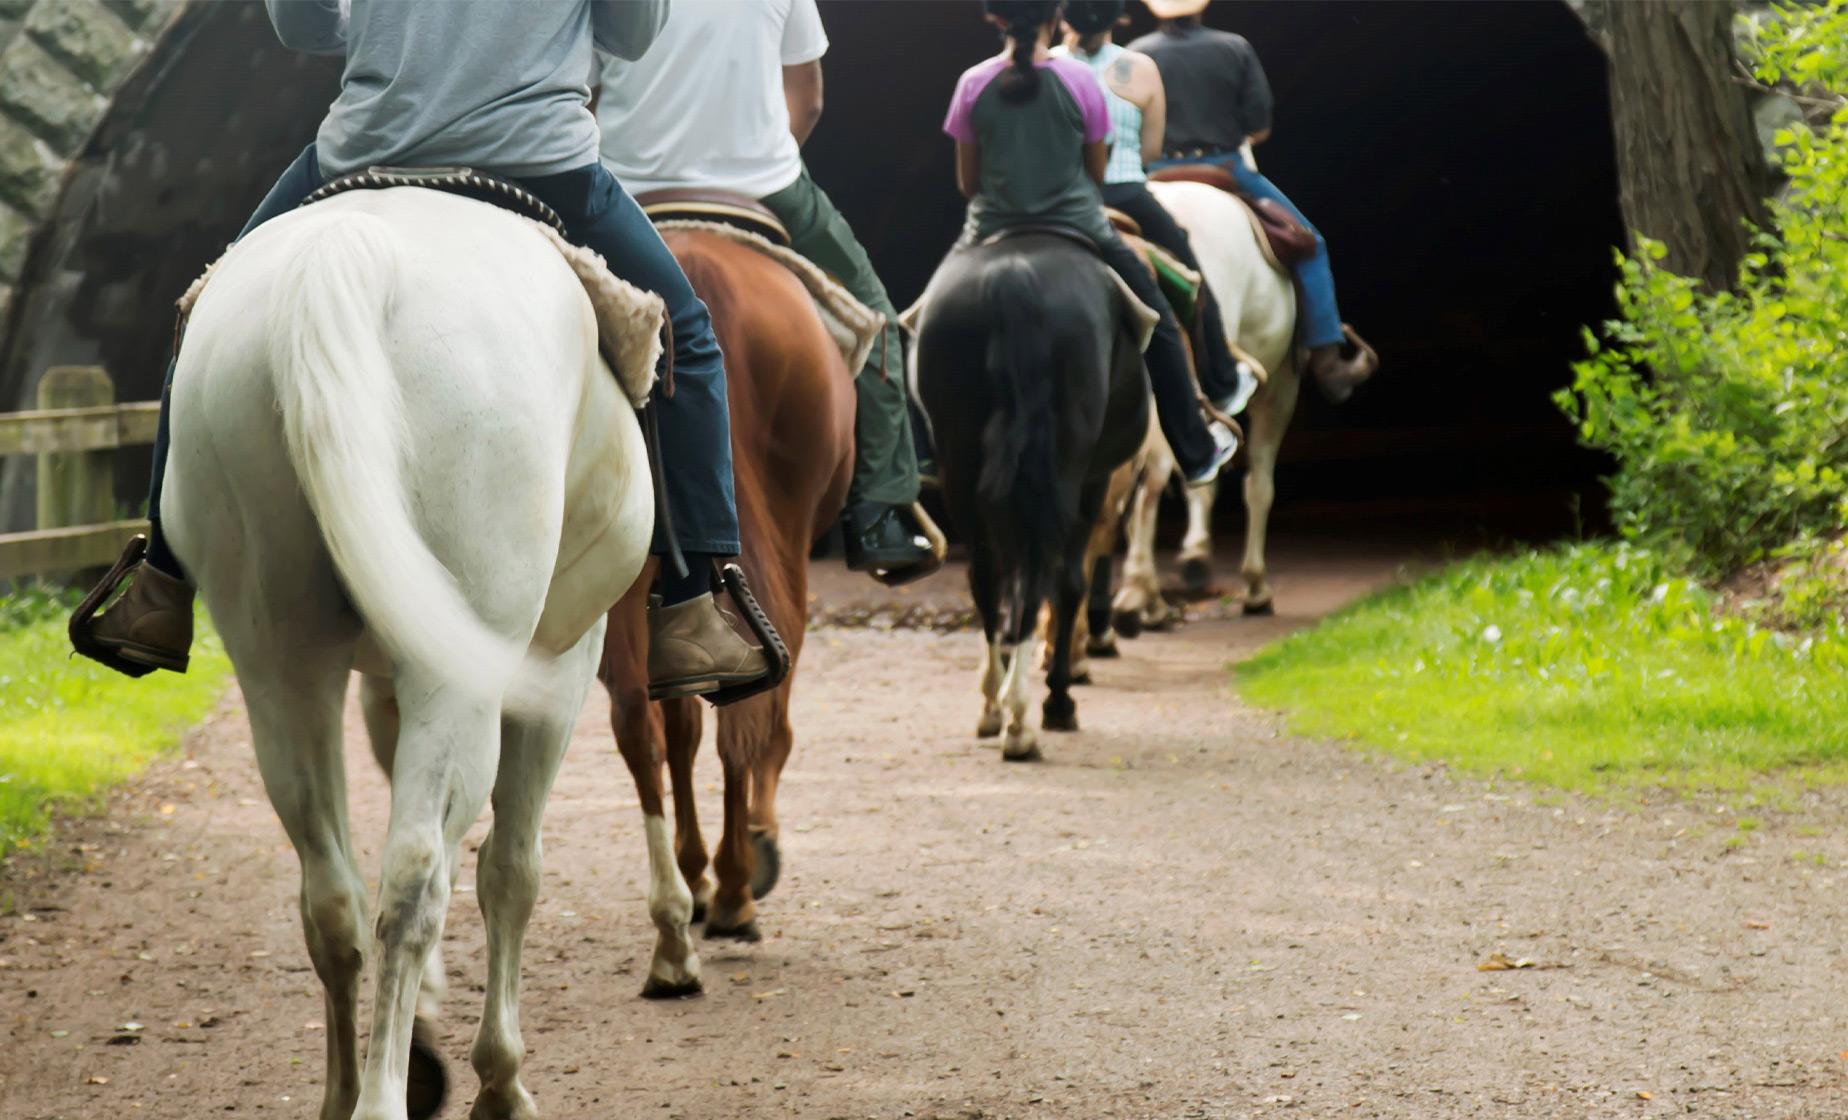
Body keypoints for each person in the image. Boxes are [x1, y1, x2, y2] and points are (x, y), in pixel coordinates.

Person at [71, 0, 774, 701]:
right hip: (538, 162)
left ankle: (160, 584)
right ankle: (691, 601)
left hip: (370, 149)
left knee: (206, 313)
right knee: (687, 335)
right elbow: (634, 33)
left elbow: (300, 24)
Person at [592, 0, 935, 581]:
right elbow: (809, 95)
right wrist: (762, 155)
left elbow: (585, 98)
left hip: (624, 189)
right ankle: (881, 511)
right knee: (873, 314)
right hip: (764, 184)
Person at [945, 0, 1239, 487]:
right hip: (1080, 223)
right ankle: (1195, 450)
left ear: (994, 18)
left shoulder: (972, 82)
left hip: (991, 227)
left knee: (918, 323)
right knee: (1161, 325)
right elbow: (1096, 173)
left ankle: (926, 457)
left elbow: (968, 184)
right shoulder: (1081, 81)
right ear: (1052, 15)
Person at [1131, 0, 1376, 401]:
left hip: (1154, 171)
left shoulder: (1137, 53)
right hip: (1223, 165)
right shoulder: (1234, 47)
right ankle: (1328, 361)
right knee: (1310, 243)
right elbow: (1259, 128)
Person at [1052, 0, 1251, 415]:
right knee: (1189, 277)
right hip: (1124, 193)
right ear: (1118, 18)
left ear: (1062, 17)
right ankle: (1223, 381)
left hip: (1055, 200)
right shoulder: (1139, 67)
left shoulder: (1044, 66)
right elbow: (1151, 150)